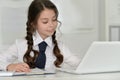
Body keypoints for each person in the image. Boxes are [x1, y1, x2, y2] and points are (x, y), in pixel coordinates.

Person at [0, 0, 80, 72]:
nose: (51, 25)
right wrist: (9, 66)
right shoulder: (20, 45)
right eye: (45, 22)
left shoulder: (60, 47)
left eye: (54, 19)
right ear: (33, 24)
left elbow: (80, 64)